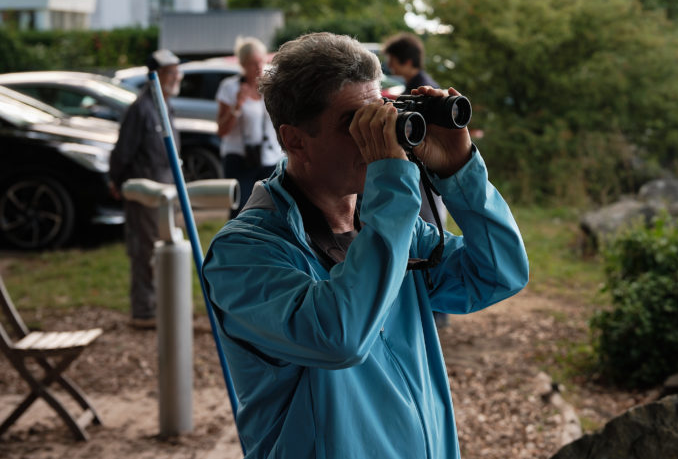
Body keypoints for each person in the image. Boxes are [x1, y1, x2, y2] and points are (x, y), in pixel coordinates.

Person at [200, 32, 528, 458]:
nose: (375, 137)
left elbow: (499, 274)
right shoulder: (243, 255)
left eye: (377, 116)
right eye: (353, 123)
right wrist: (390, 185)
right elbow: (339, 338)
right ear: (295, 139)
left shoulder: (393, 231)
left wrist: (460, 172)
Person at [108, 49, 183, 330]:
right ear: (155, 76)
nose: (177, 76)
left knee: (166, 249)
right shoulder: (141, 108)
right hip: (146, 190)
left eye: (177, 71)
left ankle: (161, 307)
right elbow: (123, 151)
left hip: (167, 191)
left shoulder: (167, 104)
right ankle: (143, 311)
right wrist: (117, 181)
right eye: (170, 72)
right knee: (145, 250)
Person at [382, 32, 451, 327]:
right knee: (432, 235)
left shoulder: (421, 91)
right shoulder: (422, 85)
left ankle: (435, 309)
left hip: (422, 178)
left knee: (426, 238)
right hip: (429, 178)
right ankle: (436, 308)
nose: (389, 65)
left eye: (392, 60)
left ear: (406, 60)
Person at [216, 36, 284, 217]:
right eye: (253, 63)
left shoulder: (272, 86)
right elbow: (222, 131)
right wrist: (237, 106)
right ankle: (238, 243)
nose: (259, 67)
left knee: (273, 210)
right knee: (241, 210)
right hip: (240, 157)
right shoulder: (229, 88)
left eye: (262, 61)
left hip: (270, 157)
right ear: (243, 65)